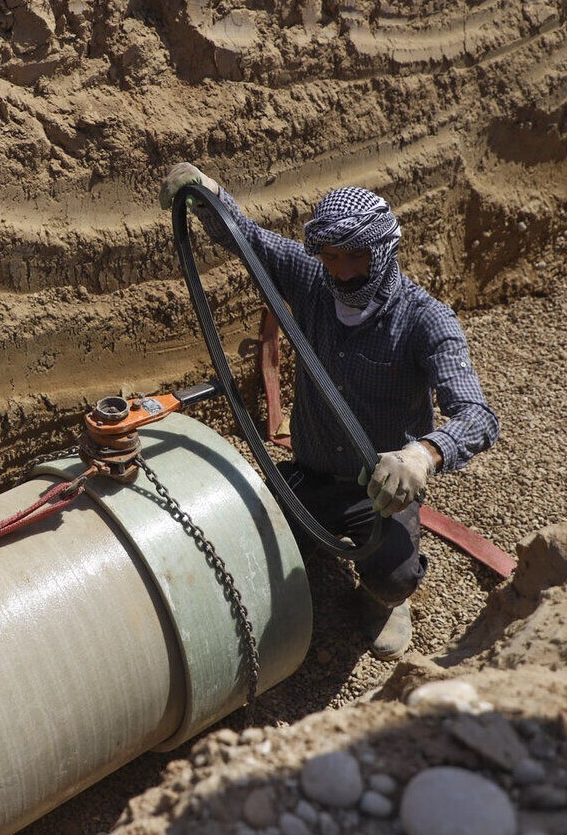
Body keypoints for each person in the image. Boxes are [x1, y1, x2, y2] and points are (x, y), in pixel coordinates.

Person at [159, 163, 499, 661]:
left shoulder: (425, 320)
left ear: (382, 252)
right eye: (331, 256)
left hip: (378, 491)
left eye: (354, 257)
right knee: (241, 544)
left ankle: (382, 600)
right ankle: (309, 540)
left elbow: (478, 415)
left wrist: (423, 455)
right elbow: (246, 236)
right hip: (309, 471)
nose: (340, 270)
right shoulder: (312, 279)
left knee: (395, 576)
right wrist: (207, 193)